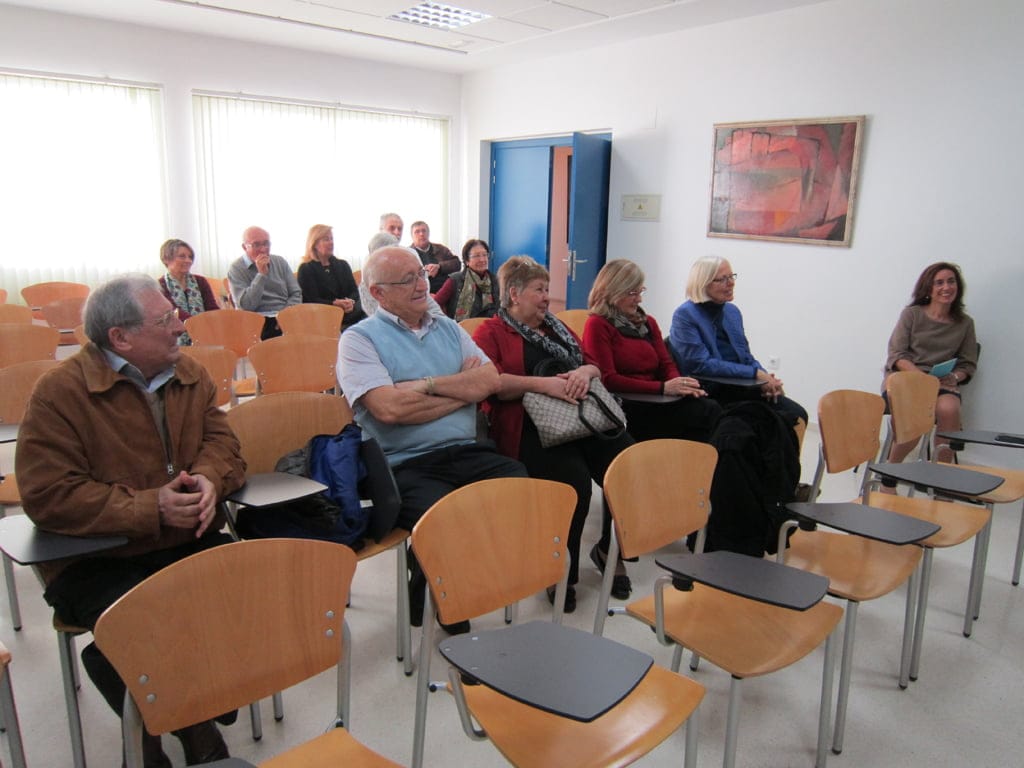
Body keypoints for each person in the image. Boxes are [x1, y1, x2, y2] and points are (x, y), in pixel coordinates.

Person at [16, 275, 246, 767]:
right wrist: (151, 507)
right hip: (96, 556)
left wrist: (208, 478)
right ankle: (182, 729)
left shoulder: (189, 374)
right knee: (142, 625)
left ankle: (181, 710)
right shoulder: (59, 393)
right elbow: (48, 495)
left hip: (186, 536)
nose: (179, 325)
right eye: (165, 320)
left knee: (249, 586)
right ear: (120, 338)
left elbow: (222, 444)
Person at [337, 246, 527, 633]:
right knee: (447, 517)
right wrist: (463, 391)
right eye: (407, 279)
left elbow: (489, 381)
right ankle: (449, 595)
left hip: (464, 450)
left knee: (517, 485)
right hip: (402, 462)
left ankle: (425, 571)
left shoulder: (449, 328)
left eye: (420, 274)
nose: (422, 284)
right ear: (378, 293)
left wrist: (427, 386)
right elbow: (389, 410)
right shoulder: (359, 340)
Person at [473, 256, 635, 612]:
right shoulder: (491, 331)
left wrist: (584, 375)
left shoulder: (556, 327)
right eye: (540, 290)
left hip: (579, 415)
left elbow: (594, 364)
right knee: (573, 484)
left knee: (625, 465)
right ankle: (562, 570)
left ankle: (610, 549)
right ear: (514, 293)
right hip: (527, 425)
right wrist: (544, 385)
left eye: (547, 289)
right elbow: (494, 384)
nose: (548, 297)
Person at [583, 259, 722, 443]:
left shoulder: (648, 322)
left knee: (709, 408)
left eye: (640, 291)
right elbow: (608, 379)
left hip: (656, 398)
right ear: (613, 292)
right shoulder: (598, 325)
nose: (639, 299)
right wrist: (663, 388)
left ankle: (699, 468)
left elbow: (666, 364)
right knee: (705, 414)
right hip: (627, 404)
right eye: (633, 293)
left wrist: (679, 384)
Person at [670, 256, 807, 426]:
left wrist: (765, 378)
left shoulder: (732, 312)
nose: (731, 283)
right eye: (723, 279)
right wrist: (754, 374)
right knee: (766, 424)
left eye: (731, 277)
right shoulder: (684, 315)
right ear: (703, 283)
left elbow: (746, 356)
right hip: (713, 389)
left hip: (742, 385)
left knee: (797, 415)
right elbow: (700, 364)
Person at [883, 261, 977, 463]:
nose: (946, 287)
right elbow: (897, 354)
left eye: (951, 282)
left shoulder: (965, 323)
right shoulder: (912, 314)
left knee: (949, 409)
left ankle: (939, 476)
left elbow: (968, 364)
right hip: (907, 379)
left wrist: (953, 376)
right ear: (928, 288)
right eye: (939, 283)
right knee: (919, 415)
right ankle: (889, 473)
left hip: (942, 381)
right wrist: (923, 379)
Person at [226, 225, 302, 339]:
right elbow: (246, 306)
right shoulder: (236, 268)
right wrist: (261, 275)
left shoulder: (280, 262)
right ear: (244, 247)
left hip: (284, 314)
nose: (263, 249)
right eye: (256, 245)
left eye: (266, 243)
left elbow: (296, 293)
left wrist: (286, 315)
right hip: (256, 319)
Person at [296, 223, 365, 329]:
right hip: (324, 313)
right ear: (314, 244)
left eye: (331, 239)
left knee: (367, 306)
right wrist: (334, 303)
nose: (331, 243)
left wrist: (350, 301)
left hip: (349, 310)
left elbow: (355, 292)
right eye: (326, 239)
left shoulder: (342, 265)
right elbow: (310, 299)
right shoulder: (306, 269)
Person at [157, 238, 219, 346]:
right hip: (175, 337)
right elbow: (173, 313)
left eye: (190, 257)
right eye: (182, 256)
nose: (188, 261)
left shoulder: (200, 281)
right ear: (166, 259)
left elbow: (212, 308)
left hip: (206, 332)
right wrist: (197, 324)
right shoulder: (160, 285)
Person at [433, 238, 499, 321]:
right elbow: (434, 305)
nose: (482, 259)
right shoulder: (455, 280)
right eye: (477, 256)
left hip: (490, 329)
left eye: (485, 255)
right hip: (462, 330)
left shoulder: (496, 281)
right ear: (467, 260)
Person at [409, 220, 460, 293]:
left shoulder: (441, 249)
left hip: (445, 291)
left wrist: (440, 267)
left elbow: (457, 264)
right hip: (420, 292)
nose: (421, 234)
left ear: (428, 233)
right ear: (412, 236)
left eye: (424, 231)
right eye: (417, 232)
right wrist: (424, 272)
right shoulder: (408, 254)